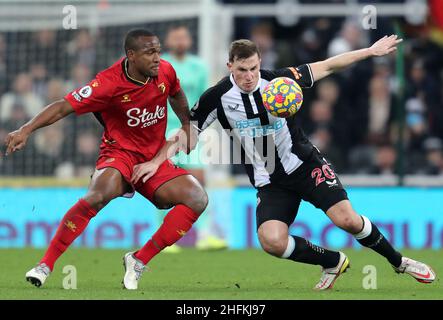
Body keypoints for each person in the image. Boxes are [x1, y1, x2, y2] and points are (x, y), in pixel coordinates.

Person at [188, 36, 436, 290]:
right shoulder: (216, 97)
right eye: (242, 70)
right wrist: (170, 149)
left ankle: (400, 261)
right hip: (270, 180)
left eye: (253, 68)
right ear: (230, 66)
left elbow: (328, 65)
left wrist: (370, 51)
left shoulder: (279, 81)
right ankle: (332, 261)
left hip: (306, 166)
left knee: (347, 220)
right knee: (271, 241)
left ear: (260, 62)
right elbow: (191, 128)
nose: (249, 76)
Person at [3, 29, 207, 290]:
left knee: (198, 199)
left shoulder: (165, 70)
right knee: (98, 195)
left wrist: (187, 124)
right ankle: (45, 264)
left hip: (153, 157)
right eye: (149, 53)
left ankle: (138, 260)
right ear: (131, 56)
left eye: (158, 51)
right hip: (119, 153)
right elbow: (63, 106)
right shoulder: (107, 84)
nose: (157, 58)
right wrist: (26, 129)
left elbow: (176, 93)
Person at [162, 25, 227, 251]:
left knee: (199, 179)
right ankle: (164, 236)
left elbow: (203, 98)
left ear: (189, 41)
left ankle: (205, 234)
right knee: (161, 183)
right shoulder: (160, 65)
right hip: (163, 131)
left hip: (190, 129)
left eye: (184, 37)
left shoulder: (198, 66)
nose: (180, 41)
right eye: (175, 37)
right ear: (168, 41)